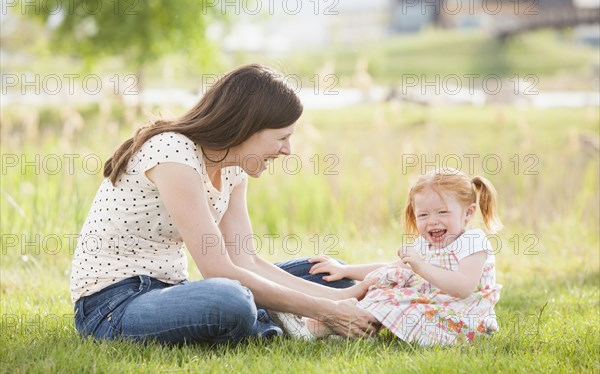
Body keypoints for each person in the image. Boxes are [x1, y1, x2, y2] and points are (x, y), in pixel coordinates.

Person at [70, 64, 379, 345]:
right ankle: (293, 324)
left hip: (170, 291)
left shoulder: (232, 168)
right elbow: (218, 270)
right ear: (247, 128)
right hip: (113, 305)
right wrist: (328, 309)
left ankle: (294, 318)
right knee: (231, 300)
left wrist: (343, 297)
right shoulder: (172, 153)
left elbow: (245, 260)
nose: (288, 150)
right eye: (281, 138)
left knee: (326, 274)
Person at [307, 168, 503, 345]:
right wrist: (345, 270)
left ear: (468, 213)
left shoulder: (472, 241)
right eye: (423, 215)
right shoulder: (424, 244)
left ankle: (317, 328)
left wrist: (421, 267)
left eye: (442, 212)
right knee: (384, 291)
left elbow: (463, 288)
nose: (432, 221)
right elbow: (391, 268)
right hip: (436, 308)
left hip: (464, 320)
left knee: (399, 303)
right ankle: (330, 324)